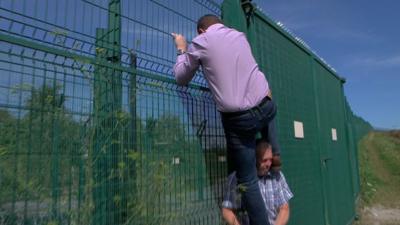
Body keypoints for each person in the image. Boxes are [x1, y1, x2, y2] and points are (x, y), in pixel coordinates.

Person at [171, 14, 281, 225]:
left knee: (248, 180)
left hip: (240, 120)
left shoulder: (201, 42)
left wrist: (182, 48)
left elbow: (181, 78)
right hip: (267, 105)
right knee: (267, 102)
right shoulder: (240, 36)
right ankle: (274, 152)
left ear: (201, 31)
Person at [222, 140, 293, 225]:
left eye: (270, 159)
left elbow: (284, 209)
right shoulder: (237, 178)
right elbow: (227, 210)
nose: (268, 164)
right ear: (254, 159)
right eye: (264, 160)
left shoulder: (277, 176)